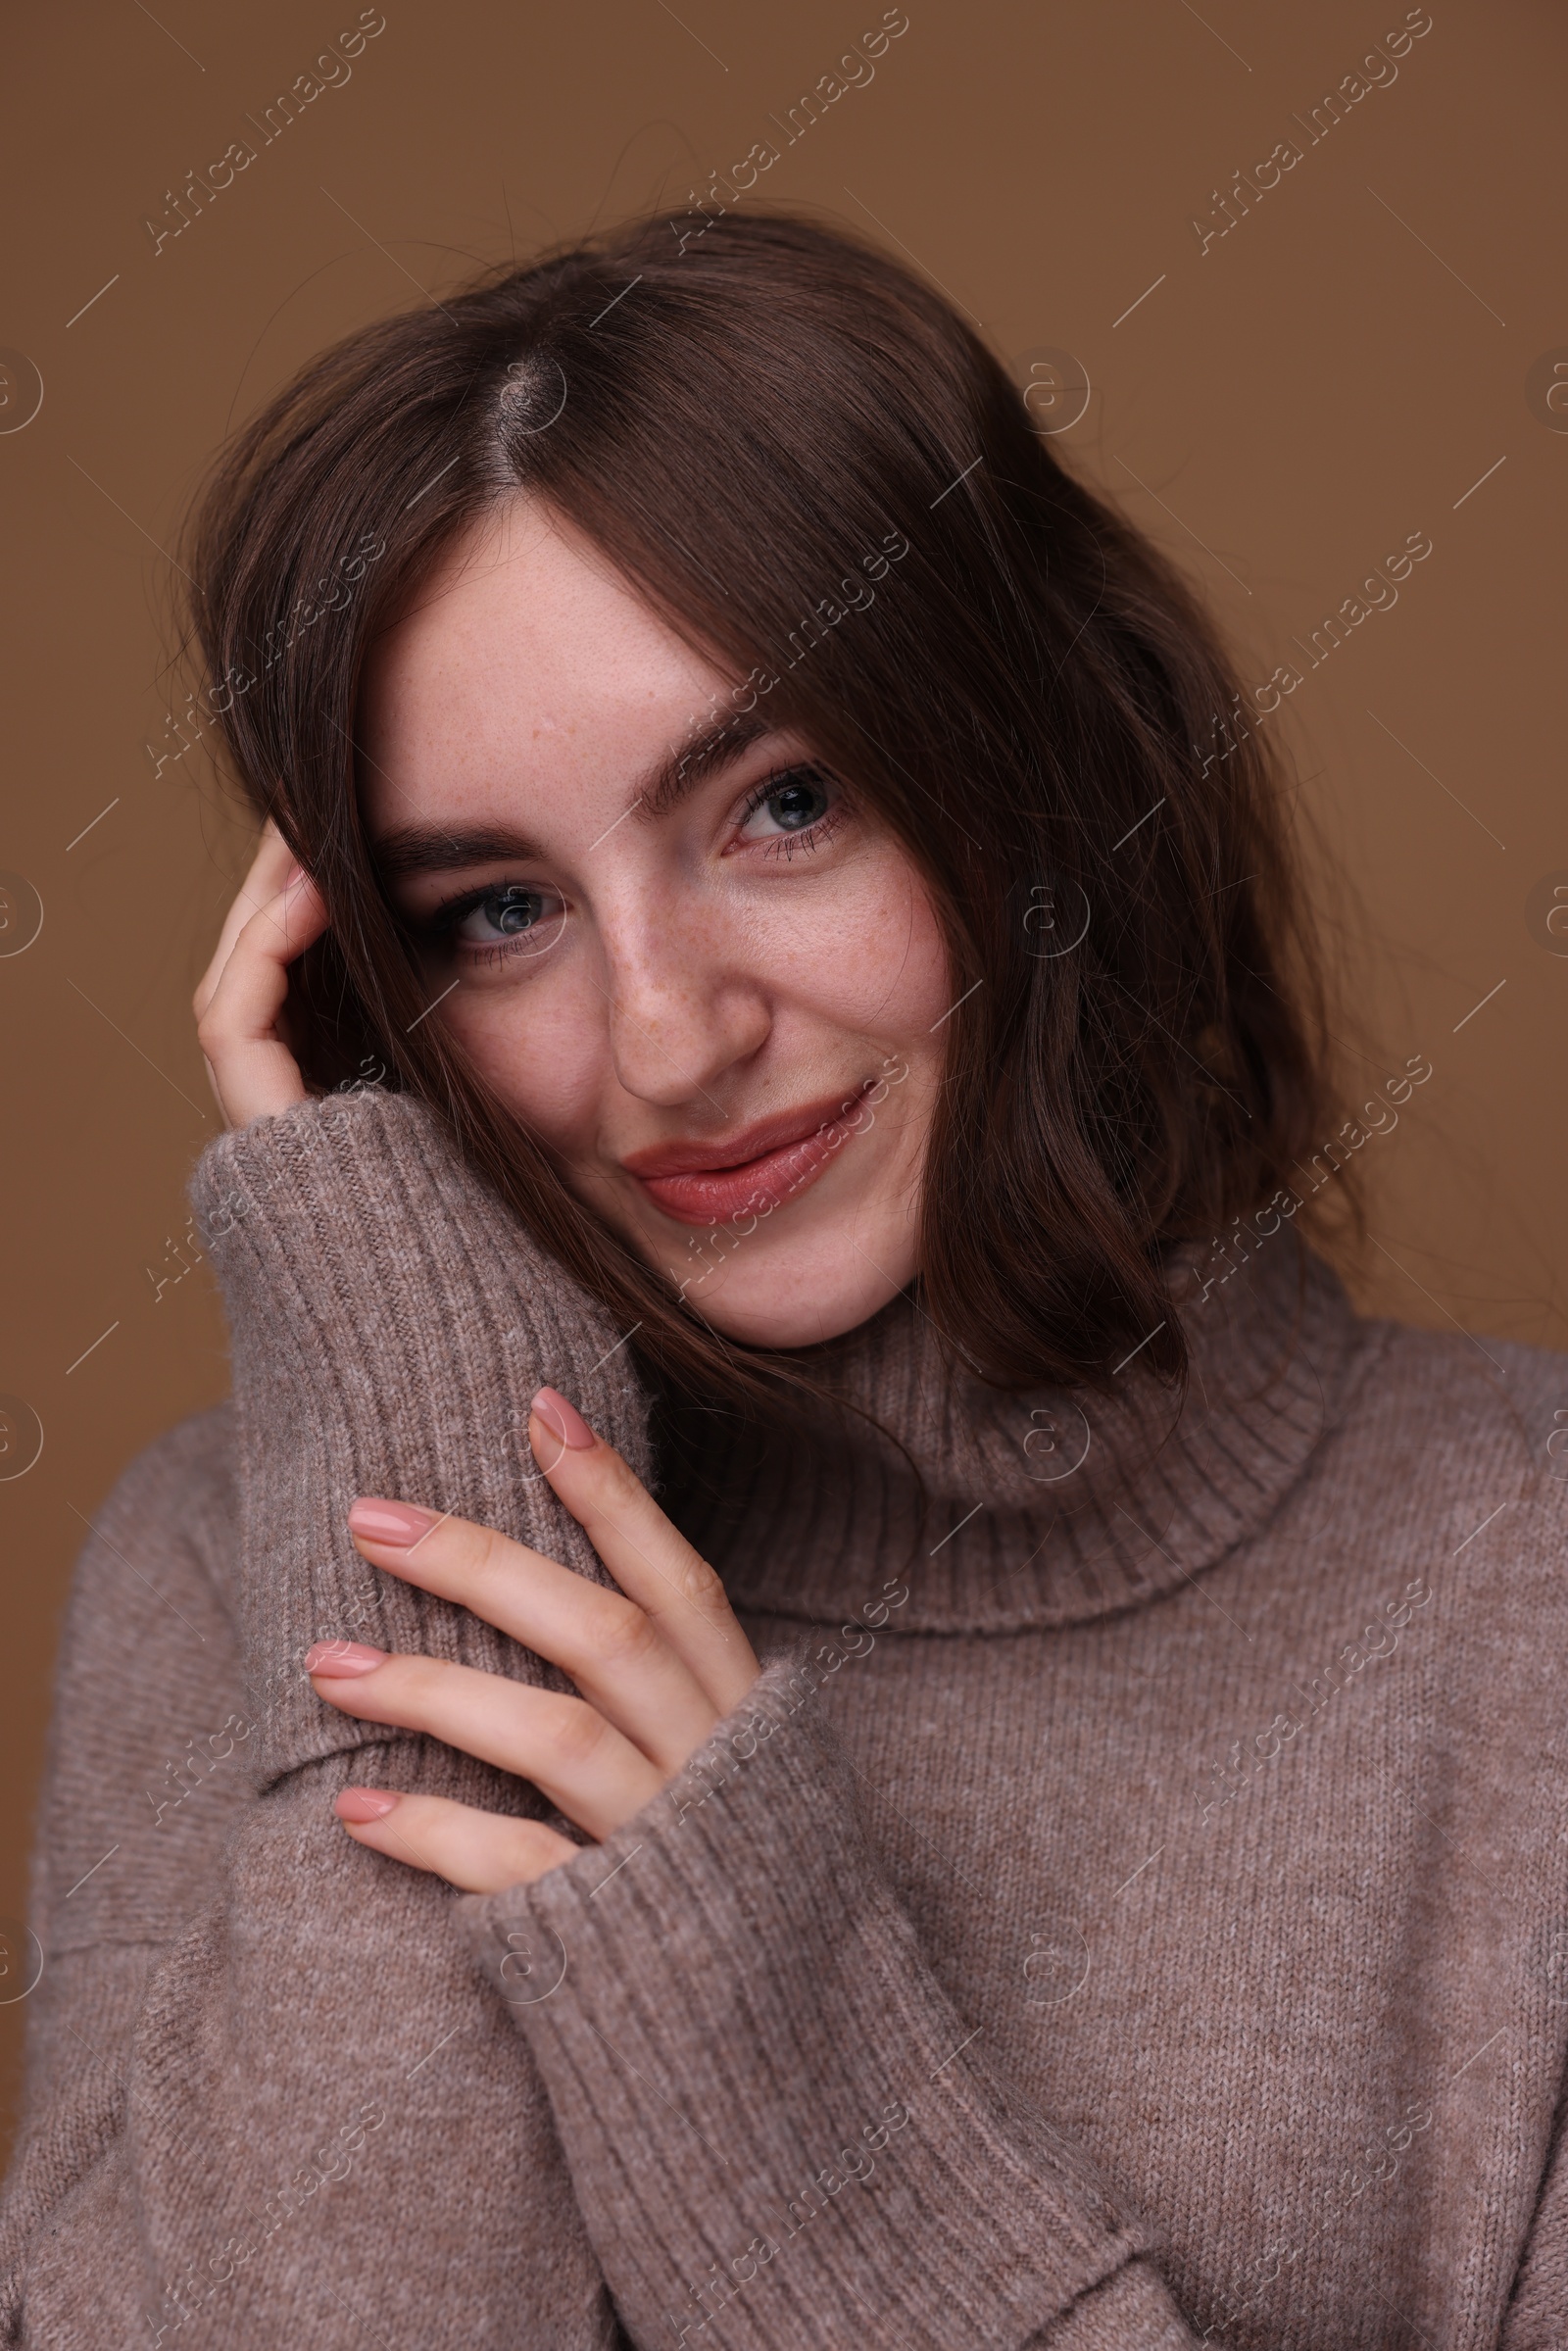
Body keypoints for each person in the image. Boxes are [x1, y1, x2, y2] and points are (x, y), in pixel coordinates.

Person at [2, 208, 1564, 2351]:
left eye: (782, 805)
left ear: (1042, 777)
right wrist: (451, 1513)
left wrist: (763, 2054)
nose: (665, 1039)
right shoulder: (229, 1570)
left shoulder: (1522, 1583)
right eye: (492, 911)